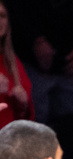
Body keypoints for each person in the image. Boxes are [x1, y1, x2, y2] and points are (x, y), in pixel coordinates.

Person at [0, 1, 34, 129]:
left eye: (2, 16)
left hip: (11, 136)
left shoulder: (12, 61)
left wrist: (22, 104)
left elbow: (27, 118)